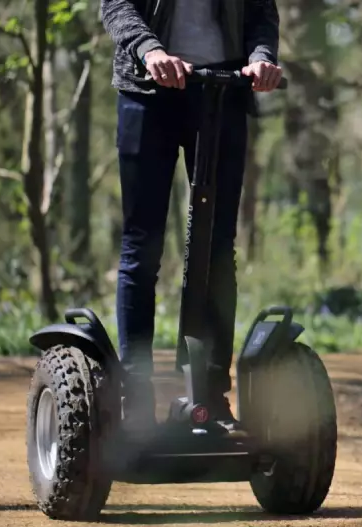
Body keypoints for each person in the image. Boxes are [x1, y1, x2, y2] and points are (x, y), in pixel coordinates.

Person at [100, 0, 283, 434]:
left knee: (217, 249)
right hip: (148, 91)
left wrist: (262, 59)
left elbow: (260, 12)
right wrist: (150, 50)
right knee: (142, 248)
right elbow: (116, 4)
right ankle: (138, 398)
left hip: (222, 90)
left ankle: (211, 396)